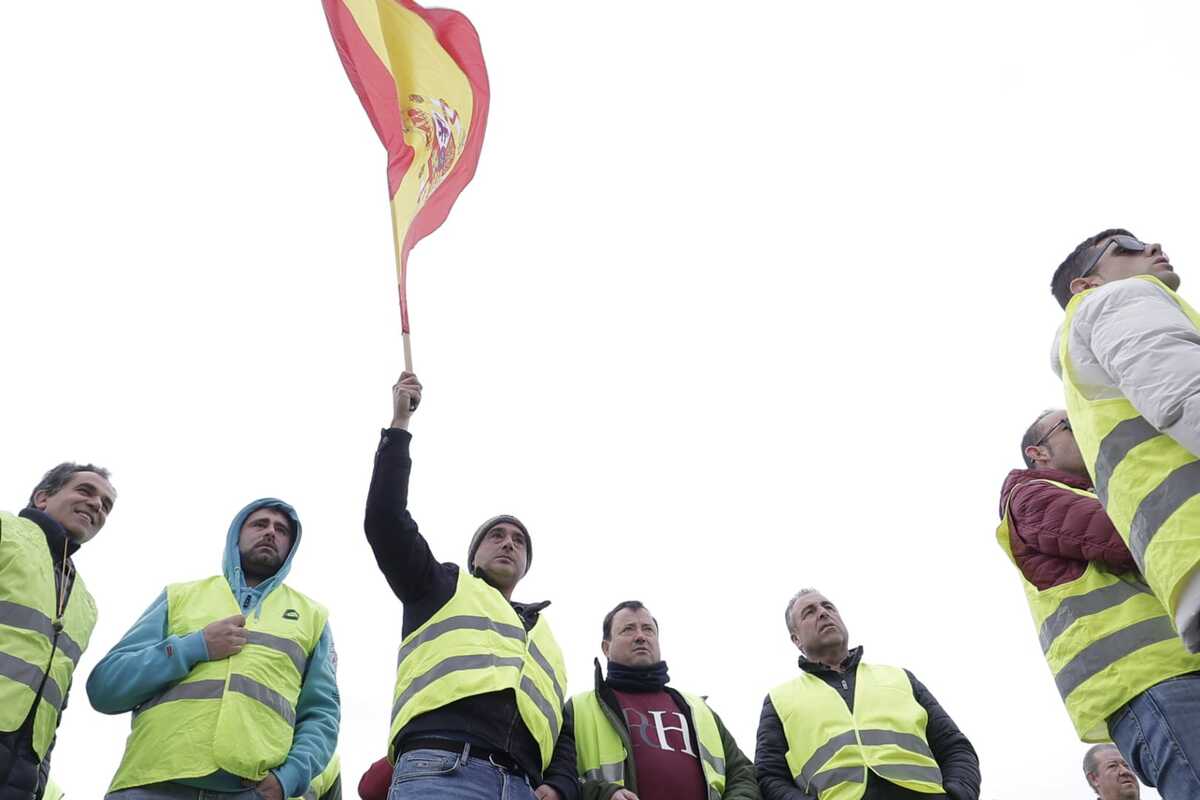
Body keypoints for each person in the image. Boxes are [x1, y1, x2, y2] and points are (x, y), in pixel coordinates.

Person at [364, 372, 576, 800]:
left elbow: (561, 731)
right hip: (441, 769)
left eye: (518, 541)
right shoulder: (442, 585)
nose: (508, 543)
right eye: (496, 536)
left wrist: (560, 785)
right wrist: (399, 425)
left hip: (522, 786)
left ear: (526, 564)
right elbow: (385, 520)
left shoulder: (547, 637)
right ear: (473, 555)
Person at [998, 409, 1200, 798]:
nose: (1084, 426)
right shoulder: (1031, 495)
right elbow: (1129, 538)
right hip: (1148, 679)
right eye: (1070, 425)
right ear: (1037, 452)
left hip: (1175, 669)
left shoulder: (1098, 493)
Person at [87, 499, 340, 800]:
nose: (271, 532)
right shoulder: (180, 596)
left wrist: (289, 779)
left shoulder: (312, 616)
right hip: (152, 783)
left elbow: (322, 713)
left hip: (251, 790)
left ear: (291, 546)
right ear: (236, 535)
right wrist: (195, 647)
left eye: (282, 530)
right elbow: (106, 688)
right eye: (259, 524)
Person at [1050, 229, 1200, 652]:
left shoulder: (1082, 378)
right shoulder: (1117, 300)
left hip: (1183, 563)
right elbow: (1185, 396)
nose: (1152, 246)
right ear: (1086, 284)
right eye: (1126, 248)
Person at [755, 589, 980, 800]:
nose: (823, 613)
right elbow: (769, 777)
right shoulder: (779, 700)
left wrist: (956, 794)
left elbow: (955, 747)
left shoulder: (900, 678)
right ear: (796, 639)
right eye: (809, 612)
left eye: (828, 607)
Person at [0, 462, 116, 800]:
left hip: (24, 765)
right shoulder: (5, 531)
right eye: (85, 491)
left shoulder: (85, 603)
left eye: (106, 505)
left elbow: (57, 698)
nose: (97, 504)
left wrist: (39, 775)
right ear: (42, 498)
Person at [566, 600, 759, 800]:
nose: (640, 636)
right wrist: (602, 793)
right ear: (606, 648)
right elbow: (559, 778)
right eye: (628, 629)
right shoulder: (579, 708)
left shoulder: (698, 709)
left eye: (648, 629)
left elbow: (743, 773)